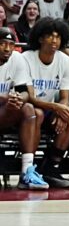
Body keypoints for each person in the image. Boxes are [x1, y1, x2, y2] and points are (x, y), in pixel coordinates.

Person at [21, 17, 69, 187]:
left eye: (58, 37)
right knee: (35, 112)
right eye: (50, 36)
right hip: (27, 110)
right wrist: (55, 106)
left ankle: (51, 166)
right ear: (40, 38)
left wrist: (62, 111)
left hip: (50, 109)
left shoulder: (66, 61)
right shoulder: (26, 58)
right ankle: (28, 170)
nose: (55, 40)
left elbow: (65, 97)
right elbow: (29, 97)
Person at [0, 25, 50, 189]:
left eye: (10, 45)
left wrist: (17, 98)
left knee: (29, 109)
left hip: (5, 111)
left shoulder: (17, 59)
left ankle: (27, 170)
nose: (7, 48)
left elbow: (25, 92)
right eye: (2, 44)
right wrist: (7, 97)